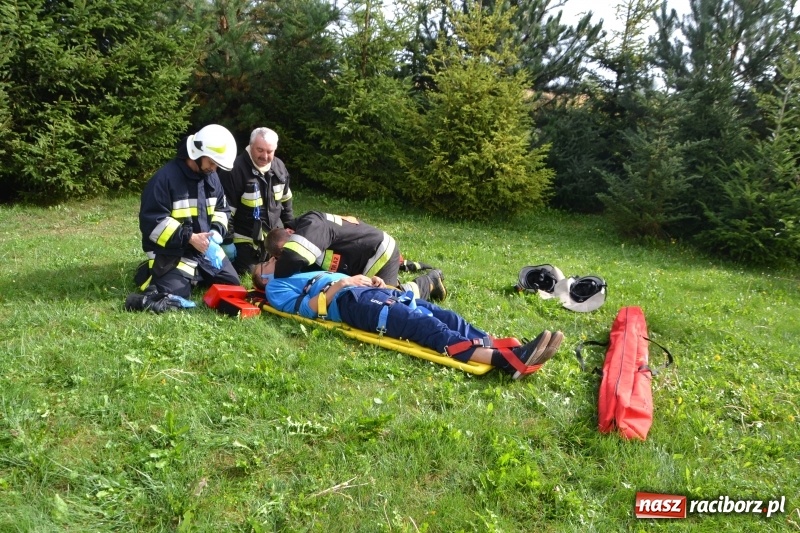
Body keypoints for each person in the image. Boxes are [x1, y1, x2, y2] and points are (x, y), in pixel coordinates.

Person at [252, 258, 565, 379]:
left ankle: (499, 344)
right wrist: (345, 283)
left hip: (367, 294)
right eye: (267, 263)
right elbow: (310, 309)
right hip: (354, 306)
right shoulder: (275, 289)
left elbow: (344, 279)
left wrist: (367, 279)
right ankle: (507, 360)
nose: (276, 261)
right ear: (262, 276)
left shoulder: (300, 270)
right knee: (424, 326)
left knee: (444, 315)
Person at [132, 124, 241, 303]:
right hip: (173, 251)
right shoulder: (164, 179)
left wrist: (216, 232)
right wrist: (190, 238)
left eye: (217, 164)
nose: (214, 169)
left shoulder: (211, 176)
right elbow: (152, 223)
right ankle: (150, 273)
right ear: (197, 154)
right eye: (212, 162)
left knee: (232, 286)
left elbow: (222, 209)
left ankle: (194, 276)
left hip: (205, 249)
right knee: (174, 295)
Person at [266, 210, 447, 301]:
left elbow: (294, 258)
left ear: (290, 232)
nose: (286, 254)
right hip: (363, 259)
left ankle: (429, 282)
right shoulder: (308, 233)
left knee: (390, 301)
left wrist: (276, 281)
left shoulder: (313, 225)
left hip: (378, 252)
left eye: (285, 250)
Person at [218, 127, 294, 274]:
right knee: (251, 272)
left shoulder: (279, 167)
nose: (265, 156)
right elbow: (225, 210)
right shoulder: (235, 170)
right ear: (251, 146)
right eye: (260, 150)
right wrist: (227, 241)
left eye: (269, 151)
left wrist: (290, 226)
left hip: (274, 235)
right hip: (245, 238)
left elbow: (286, 200)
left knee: (288, 267)